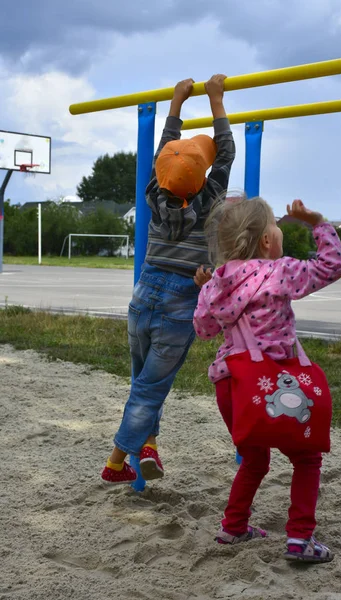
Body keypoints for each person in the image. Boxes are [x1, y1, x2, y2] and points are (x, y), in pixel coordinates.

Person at [193, 196, 341, 563]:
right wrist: (318, 222)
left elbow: (203, 329)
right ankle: (300, 539)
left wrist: (205, 289)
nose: (280, 231)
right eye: (276, 226)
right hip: (273, 385)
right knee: (307, 457)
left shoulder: (217, 283)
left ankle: (233, 527)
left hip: (232, 386)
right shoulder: (280, 272)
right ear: (266, 241)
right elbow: (333, 265)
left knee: (255, 459)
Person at [101, 74, 236, 485]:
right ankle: (114, 463)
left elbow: (165, 151)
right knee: (150, 389)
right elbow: (226, 153)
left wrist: (176, 103)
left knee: (144, 380)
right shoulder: (211, 198)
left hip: (143, 296)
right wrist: (217, 100)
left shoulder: (153, 195)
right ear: (203, 180)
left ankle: (149, 446)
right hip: (179, 303)